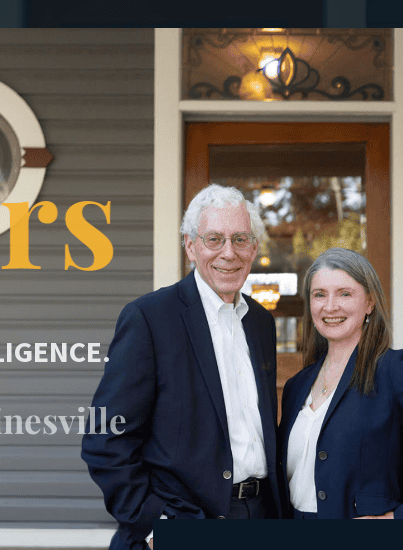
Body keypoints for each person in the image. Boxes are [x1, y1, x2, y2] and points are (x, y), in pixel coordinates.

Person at [82, 184, 281, 549]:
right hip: (180, 518)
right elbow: (105, 438)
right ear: (190, 245)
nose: (229, 253)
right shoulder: (149, 318)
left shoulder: (261, 324)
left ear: (254, 248)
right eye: (214, 239)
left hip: (259, 512)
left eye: (240, 239)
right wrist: (154, 523)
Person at [279, 247, 403, 519]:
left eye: (345, 293)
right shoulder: (297, 386)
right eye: (320, 295)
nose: (330, 306)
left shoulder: (393, 369)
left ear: (370, 302)